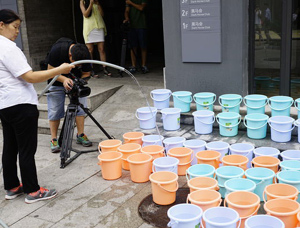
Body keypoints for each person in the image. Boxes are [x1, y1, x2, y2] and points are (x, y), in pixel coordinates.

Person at [0, 9, 74, 203]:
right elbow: (30, 76)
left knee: (10, 147)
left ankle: (12, 186)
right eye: (14, 27)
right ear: (1, 25)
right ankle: (33, 191)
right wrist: (59, 70)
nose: (17, 32)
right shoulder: (7, 48)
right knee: (26, 149)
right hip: (21, 105)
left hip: (5, 105)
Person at [46, 38, 93, 153]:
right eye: (76, 63)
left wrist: (80, 82)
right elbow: (50, 70)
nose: (77, 66)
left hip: (75, 83)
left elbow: (87, 73)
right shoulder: (58, 50)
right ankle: (54, 139)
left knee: (81, 109)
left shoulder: (84, 53)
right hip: (56, 82)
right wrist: (64, 79)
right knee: (55, 111)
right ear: (70, 55)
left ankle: (80, 134)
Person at [80, 0, 112, 78]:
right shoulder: (82, 1)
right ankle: (91, 69)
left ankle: (105, 68)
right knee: (90, 50)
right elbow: (85, 14)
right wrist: (90, 4)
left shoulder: (96, 2)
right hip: (89, 28)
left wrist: (97, 4)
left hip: (99, 27)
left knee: (101, 49)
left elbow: (102, 14)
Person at [124, 0, 149, 74]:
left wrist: (131, 3)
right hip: (132, 25)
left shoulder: (133, 1)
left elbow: (141, 8)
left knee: (143, 46)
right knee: (133, 46)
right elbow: (127, 11)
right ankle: (133, 65)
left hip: (141, 25)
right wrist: (127, 17)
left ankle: (143, 65)